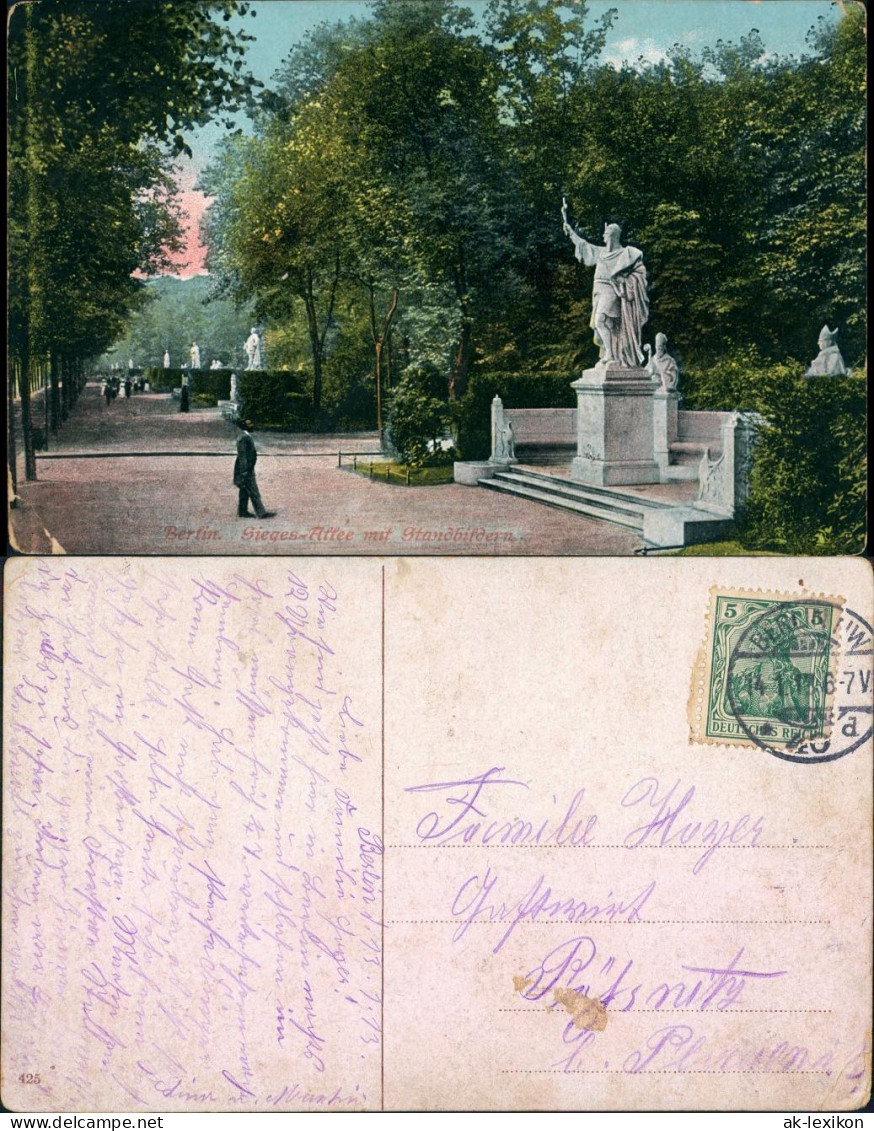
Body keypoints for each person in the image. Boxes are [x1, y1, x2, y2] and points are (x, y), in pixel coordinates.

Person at [562, 200, 649, 368]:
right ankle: (612, 354)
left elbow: (640, 274)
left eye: (605, 234)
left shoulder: (626, 254)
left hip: (611, 290)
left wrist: (624, 282)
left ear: (612, 236)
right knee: (602, 324)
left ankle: (610, 354)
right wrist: (570, 230)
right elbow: (583, 245)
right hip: (598, 290)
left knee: (599, 320)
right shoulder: (601, 253)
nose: (603, 237)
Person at [233, 418, 275, 519]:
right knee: (253, 490)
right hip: (246, 470)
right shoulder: (243, 438)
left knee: (244, 490)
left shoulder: (246, 436)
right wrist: (245, 472)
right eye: (250, 424)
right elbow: (242, 456)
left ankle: (242, 511)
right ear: (245, 426)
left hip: (246, 468)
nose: (252, 425)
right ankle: (261, 513)